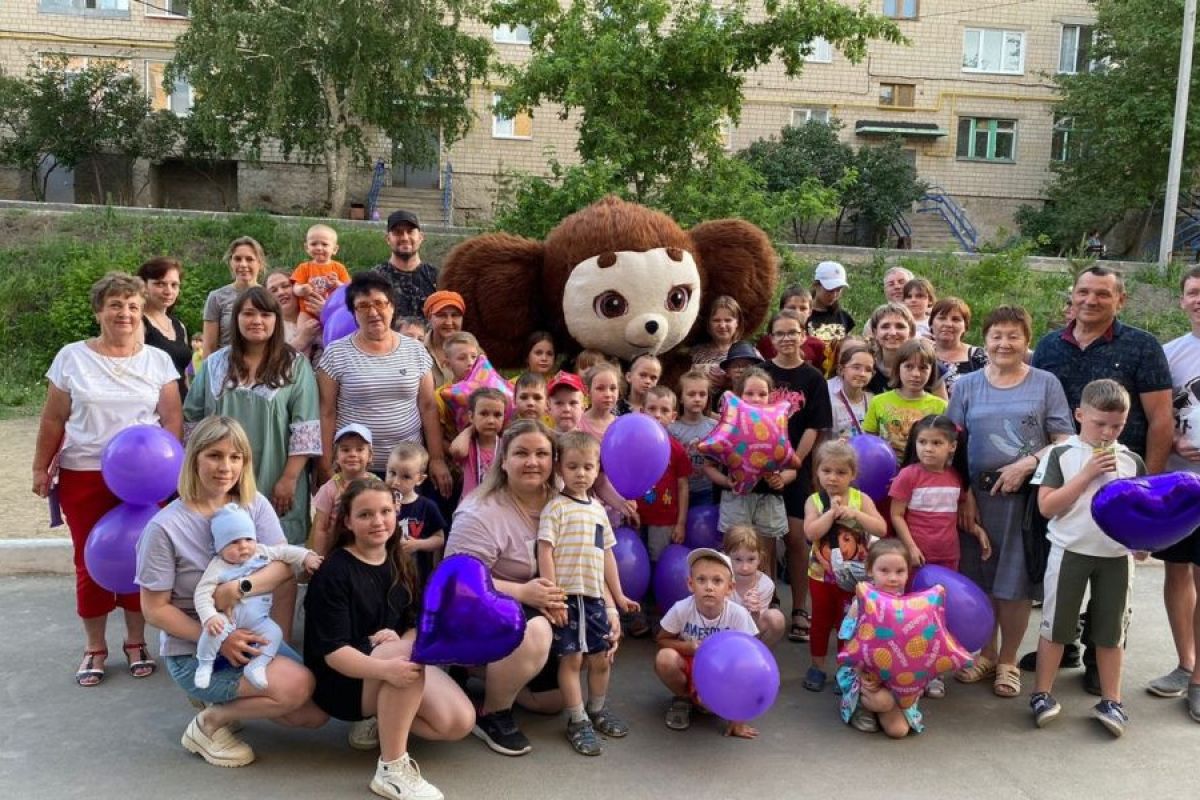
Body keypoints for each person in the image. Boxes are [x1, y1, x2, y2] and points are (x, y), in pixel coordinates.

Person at [137, 416, 326, 768]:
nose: (226, 467)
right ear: (194, 458)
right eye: (215, 455)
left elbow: (284, 565)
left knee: (312, 715)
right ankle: (209, 725)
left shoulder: (254, 505)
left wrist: (238, 588)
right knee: (296, 687)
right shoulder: (164, 528)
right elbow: (155, 609)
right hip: (196, 647)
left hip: (250, 633)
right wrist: (221, 638)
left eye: (236, 457)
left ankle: (225, 702)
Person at [33, 271, 183, 687]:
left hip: (144, 482)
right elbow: (53, 418)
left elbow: (172, 421)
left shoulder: (158, 360)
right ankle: (94, 647)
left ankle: (136, 642)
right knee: (89, 560)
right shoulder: (71, 357)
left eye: (133, 306)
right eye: (116, 304)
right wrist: (39, 466)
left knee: (144, 560)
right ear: (99, 310)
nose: (125, 313)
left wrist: (168, 474)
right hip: (84, 474)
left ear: (143, 312)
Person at [1029, 266, 1173, 693]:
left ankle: (1098, 659)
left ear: (1119, 301)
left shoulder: (1142, 346)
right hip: (1067, 468)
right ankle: (1064, 645)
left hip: (1120, 476)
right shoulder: (1051, 345)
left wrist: (1147, 493)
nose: (1090, 301)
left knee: (1111, 581)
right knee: (1065, 570)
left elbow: (1161, 418)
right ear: (1072, 297)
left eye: (1102, 294)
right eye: (1083, 292)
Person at [304, 477, 473, 799]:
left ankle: (382, 715)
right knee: (409, 661)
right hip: (340, 680)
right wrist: (387, 669)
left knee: (457, 723)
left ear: (397, 513)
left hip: (386, 658)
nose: (378, 521)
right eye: (365, 514)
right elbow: (333, 653)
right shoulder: (334, 573)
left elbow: (414, 624)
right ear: (348, 522)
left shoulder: (401, 560)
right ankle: (391, 768)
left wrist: (399, 639)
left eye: (385, 511)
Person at [947, 306, 1073, 699]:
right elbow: (953, 444)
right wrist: (964, 493)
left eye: (1013, 336)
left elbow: (1065, 438)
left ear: (1026, 341)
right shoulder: (966, 386)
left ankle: (1009, 660)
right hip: (977, 500)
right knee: (980, 578)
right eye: (997, 335)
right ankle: (985, 654)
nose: (1004, 343)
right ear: (985, 341)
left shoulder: (1045, 383)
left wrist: (1029, 463)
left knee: (1015, 584)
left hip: (1023, 502)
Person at [444, 420, 569, 756]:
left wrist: (611, 609)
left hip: (538, 604)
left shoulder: (561, 502)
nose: (533, 462)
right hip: (476, 607)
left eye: (542, 453)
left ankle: (476, 671)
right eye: (521, 453)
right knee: (536, 631)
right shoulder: (481, 512)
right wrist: (523, 592)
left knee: (553, 702)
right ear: (503, 460)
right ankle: (493, 713)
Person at [1029, 379, 1145, 737]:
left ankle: (1112, 700)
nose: (1107, 433)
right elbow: (1047, 507)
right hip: (1070, 550)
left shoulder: (1131, 460)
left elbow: (1140, 510)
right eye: (1099, 424)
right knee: (1056, 625)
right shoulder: (1060, 454)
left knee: (1112, 632)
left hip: (1115, 556)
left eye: (1117, 426)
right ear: (1079, 415)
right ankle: (1042, 693)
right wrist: (1088, 474)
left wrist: (1141, 540)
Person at [186, 287, 321, 547]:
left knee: (278, 556)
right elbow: (193, 420)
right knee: (226, 550)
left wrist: (289, 479)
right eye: (248, 313)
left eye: (265, 314)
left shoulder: (294, 365)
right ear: (236, 319)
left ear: (276, 320)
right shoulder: (214, 364)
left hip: (276, 476)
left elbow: (305, 427)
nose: (256, 321)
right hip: (221, 478)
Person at [536, 431, 639, 756]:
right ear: (560, 469)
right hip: (567, 598)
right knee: (572, 659)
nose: (581, 473)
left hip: (595, 598)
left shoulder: (598, 510)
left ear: (598, 470)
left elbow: (606, 554)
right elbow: (545, 551)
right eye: (573, 466)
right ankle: (577, 719)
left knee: (601, 658)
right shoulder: (556, 508)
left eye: (588, 467)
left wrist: (618, 597)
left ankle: (597, 710)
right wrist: (553, 595)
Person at [316, 272, 450, 499]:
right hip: (355, 469)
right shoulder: (336, 353)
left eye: (380, 303)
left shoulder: (415, 350)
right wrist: (325, 466)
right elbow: (326, 412)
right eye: (363, 306)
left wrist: (436, 459)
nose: (373, 312)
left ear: (392, 307)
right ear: (353, 312)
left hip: (408, 468)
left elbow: (428, 406)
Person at [194, 504, 321, 690]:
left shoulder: (261, 552)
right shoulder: (218, 566)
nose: (244, 546)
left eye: (248, 539)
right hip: (230, 619)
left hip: (259, 620)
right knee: (212, 632)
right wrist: (209, 617)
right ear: (220, 547)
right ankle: (204, 664)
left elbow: (286, 552)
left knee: (274, 633)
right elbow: (202, 593)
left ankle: (257, 665)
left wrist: (307, 557)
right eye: (234, 542)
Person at [1148, 265, 1200, 718]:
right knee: (1177, 571)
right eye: (1193, 292)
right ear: (1182, 300)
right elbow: (1159, 417)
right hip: (1179, 483)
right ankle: (1186, 663)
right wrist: (1173, 445)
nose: (1199, 299)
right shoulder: (1170, 354)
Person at [764, 308, 833, 640]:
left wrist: (794, 466)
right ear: (771, 339)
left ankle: (800, 608)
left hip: (798, 469)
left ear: (803, 335)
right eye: (780, 333)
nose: (787, 338)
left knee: (796, 539)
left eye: (793, 332)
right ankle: (768, 601)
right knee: (764, 539)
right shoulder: (761, 373)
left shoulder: (813, 379)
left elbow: (814, 427)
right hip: (762, 469)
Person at [802, 440, 886, 692]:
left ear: (853, 475)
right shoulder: (814, 501)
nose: (833, 478)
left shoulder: (861, 499)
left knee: (846, 623)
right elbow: (809, 531)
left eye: (841, 472)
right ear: (817, 471)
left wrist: (856, 514)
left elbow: (881, 528)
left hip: (854, 577)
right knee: (819, 622)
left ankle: (844, 668)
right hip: (821, 576)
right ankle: (817, 667)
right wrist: (830, 514)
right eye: (826, 471)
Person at [654, 548, 760, 737]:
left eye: (717, 581)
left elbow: (750, 662)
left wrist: (738, 720)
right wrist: (689, 647)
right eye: (701, 580)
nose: (709, 587)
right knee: (664, 659)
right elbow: (662, 639)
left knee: (708, 703)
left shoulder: (737, 614)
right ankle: (684, 699)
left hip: (722, 670)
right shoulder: (682, 609)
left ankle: (708, 702)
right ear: (690, 584)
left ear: (730, 588)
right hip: (690, 663)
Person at [705, 368, 795, 580]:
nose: (756, 399)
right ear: (738, 396)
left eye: (762, 394)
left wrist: (781, 480)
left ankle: (767, 600)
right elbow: (708, 466)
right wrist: (726, 481)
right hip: (736, 498)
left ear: (771, 396)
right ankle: (731, 598)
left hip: (768, 500)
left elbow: (793, 466)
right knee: (734, 551)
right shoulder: (728, 425)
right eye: (750, 393)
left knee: (765, 553)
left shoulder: (778, 422)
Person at [836, 539, 923, 738]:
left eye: (900, 571)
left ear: (908, 572)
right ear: (869, 569)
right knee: (883, 701)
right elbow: (850, 644)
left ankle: (883, 706)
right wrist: (862, 674)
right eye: (884, 570)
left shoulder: (911, 604)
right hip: (864, 672)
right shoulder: (861, 602)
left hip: (898, 677)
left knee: (899, 731)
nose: (893, 578)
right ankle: (862, 706)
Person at [864, 338, 947, 460]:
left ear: (932, 371)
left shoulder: (941, 406)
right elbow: (868, 442)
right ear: (898, 368)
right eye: (908, 366)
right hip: (886, 472)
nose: (915, 374)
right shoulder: (878, 401)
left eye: (923, 368)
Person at [386, 442, 448, 583]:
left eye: (406, 477)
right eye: (392, 473)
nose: (396, 482)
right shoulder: (379, 504)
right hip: (386, 573)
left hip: (417, 575)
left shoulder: (427, 506)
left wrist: (418, 544)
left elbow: (439, 540)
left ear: (420, 479)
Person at [311, 423, 374, 556]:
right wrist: (320, 558)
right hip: (337, 550)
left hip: (370, 549)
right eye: (345, 450)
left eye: (359, 449)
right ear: (336, 457)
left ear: (370, 456)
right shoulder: (329, 489)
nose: (352, 454)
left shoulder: (377, 485)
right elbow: (320, 528)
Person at [864, 302, 946, 398]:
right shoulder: (868, 366)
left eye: (900, 326)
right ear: (875, 332)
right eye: (885, 326)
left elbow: (944, 410)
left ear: (911, 332)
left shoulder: (929, 365)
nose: (893, 332)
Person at [370, 209, 439, 322]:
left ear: (421, 237)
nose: (405, 238)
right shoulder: (374, 278)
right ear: (388, 239)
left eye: (410, 231)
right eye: (398, 232)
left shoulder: (436, 277)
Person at [203, 236, 266, 357]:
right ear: (230, 262)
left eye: (249, 259)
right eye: (237, 259)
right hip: (225, 369)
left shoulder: (270, 297)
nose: (243, 264)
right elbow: (209, 347)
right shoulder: (216, 297)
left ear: (260, 263)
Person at [723, 525, 786, 645]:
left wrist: (755, 614)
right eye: (737, 559)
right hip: (722, 635)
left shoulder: (765, 585)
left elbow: (754, 631)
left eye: (751, 559)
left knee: (776, 618)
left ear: (760, 559)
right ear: (726, 558)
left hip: (750, 637)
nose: (745, 567)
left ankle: (760, 658)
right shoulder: (719, 580)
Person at [138, 257, 191, 397]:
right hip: (153, 409)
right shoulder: (138, 323)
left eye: (174, 285)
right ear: (143, 286)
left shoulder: (179, 326)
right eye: (160, 284)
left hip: (182, 406)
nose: (168, 291)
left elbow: (184, 374)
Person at [669, 369, 718, 508]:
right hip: (678, 490)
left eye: (702, 394)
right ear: (681, 398)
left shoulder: (714, 427)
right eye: (691, 394)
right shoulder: (672, 429)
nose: (697, 398)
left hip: (707, 491)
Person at [450, 387, 507, 499]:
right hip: (470, 508)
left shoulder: (506, 445)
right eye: (484, 414)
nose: (491, 420)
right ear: (471, 416)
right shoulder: (469, 445)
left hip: (498, 506)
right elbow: (457, 451)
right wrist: (471, 428)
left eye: (497, 415)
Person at [291, 223, 350, 329]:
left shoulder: (339, 268)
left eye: (324, 244)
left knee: (330, 334)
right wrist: (301, 289)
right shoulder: (304, 267)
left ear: (335, 249)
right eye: (313, 244)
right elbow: (295, 287)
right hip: (307, 311)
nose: (319, 248)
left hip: (332, 311)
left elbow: (348, 290)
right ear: (307, 247)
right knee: (303, 332)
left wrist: (338, 284)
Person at [755, 286, 826, 368]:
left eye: (803, 308)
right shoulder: (767, 342)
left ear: (810, 312)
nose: (797, 312)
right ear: (782, 310)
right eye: (792, 308)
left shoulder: (818, 346)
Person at [930, 297, 987, 395]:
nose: (948, 324)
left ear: (965, 327)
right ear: (931, 323)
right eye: (942, 318)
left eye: (955, 319)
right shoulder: (920, 355)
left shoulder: (980, 356)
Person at [690, 295, 746, 391]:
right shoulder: (695, 353)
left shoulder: (748, 352)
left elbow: (759, 383)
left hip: (734, 404)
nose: (722, 325)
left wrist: (729, 382)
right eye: (716, 320)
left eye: (728, 320)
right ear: (709, 323)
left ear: (737, 323)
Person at [264, 269, 323, 360]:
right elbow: (268, 363)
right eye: (273, 290)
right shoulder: (268, 328)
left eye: (285, 286)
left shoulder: (319, 311)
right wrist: (302, 339)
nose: (281, 292)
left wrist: (327, 315)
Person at [827, 339, 875, 439]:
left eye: (868, 370)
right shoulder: (830, 403)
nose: (862, 374)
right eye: (856, 367)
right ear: (841, 370)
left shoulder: (873, 401)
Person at [808, 261, 855, 356]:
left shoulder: (844, 317)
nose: (834, 295)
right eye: (829, 290)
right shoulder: (803, 315)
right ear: (816, 285)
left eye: (839, 290)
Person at [422, 290, 467, 389]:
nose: (449, 322)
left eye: (455, 315)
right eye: (441, 315)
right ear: (429, 318)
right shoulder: (416, 351)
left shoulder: (474, 352)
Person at [577, 362, 621, 441]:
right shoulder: (578, 423)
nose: (608, 394)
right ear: (588, 391)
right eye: (600, 388)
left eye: (613, 388)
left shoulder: (621, 425)